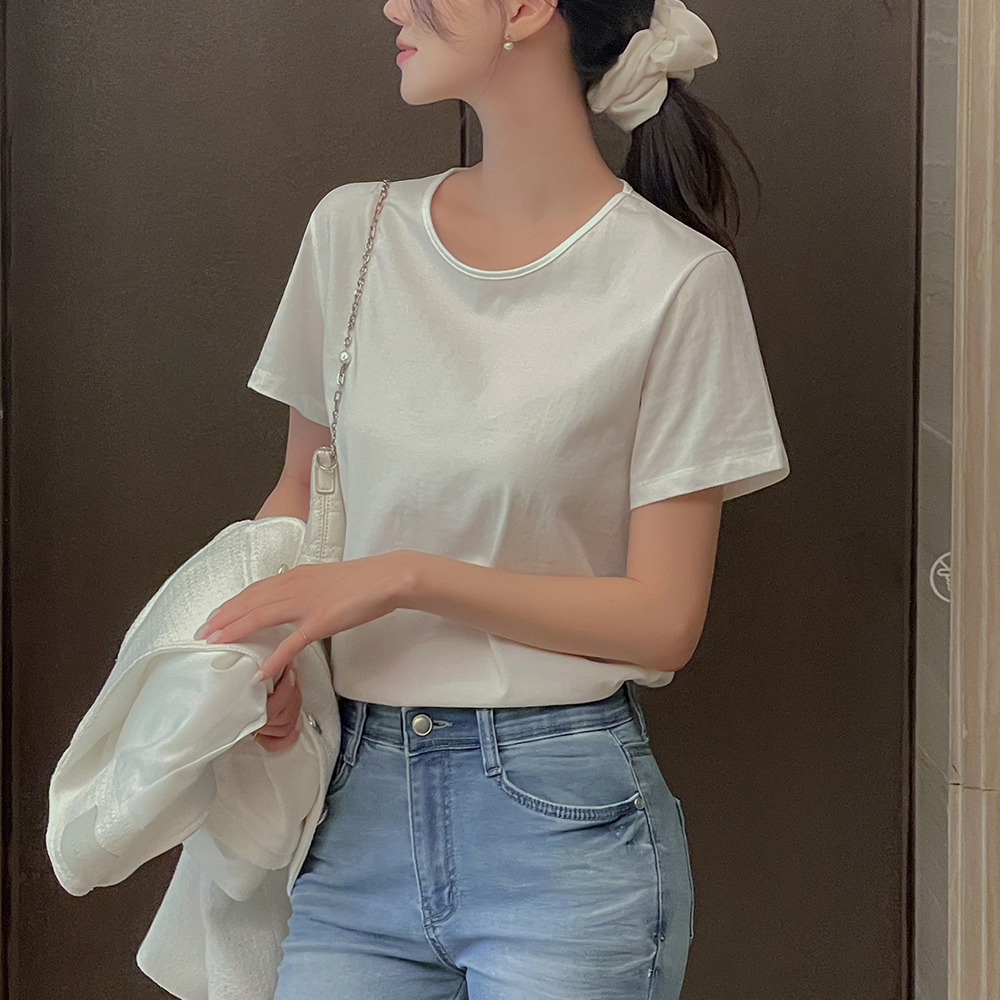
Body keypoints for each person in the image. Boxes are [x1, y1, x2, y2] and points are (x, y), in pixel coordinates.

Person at [195, 0, 790, 996]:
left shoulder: (680, 281)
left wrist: (406, 578)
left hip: (560, 833)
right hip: (352, 816)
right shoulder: (354, 233)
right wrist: (267, 661)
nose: (394, 5)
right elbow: (297, 500)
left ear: (525, 7)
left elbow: (663, 620)